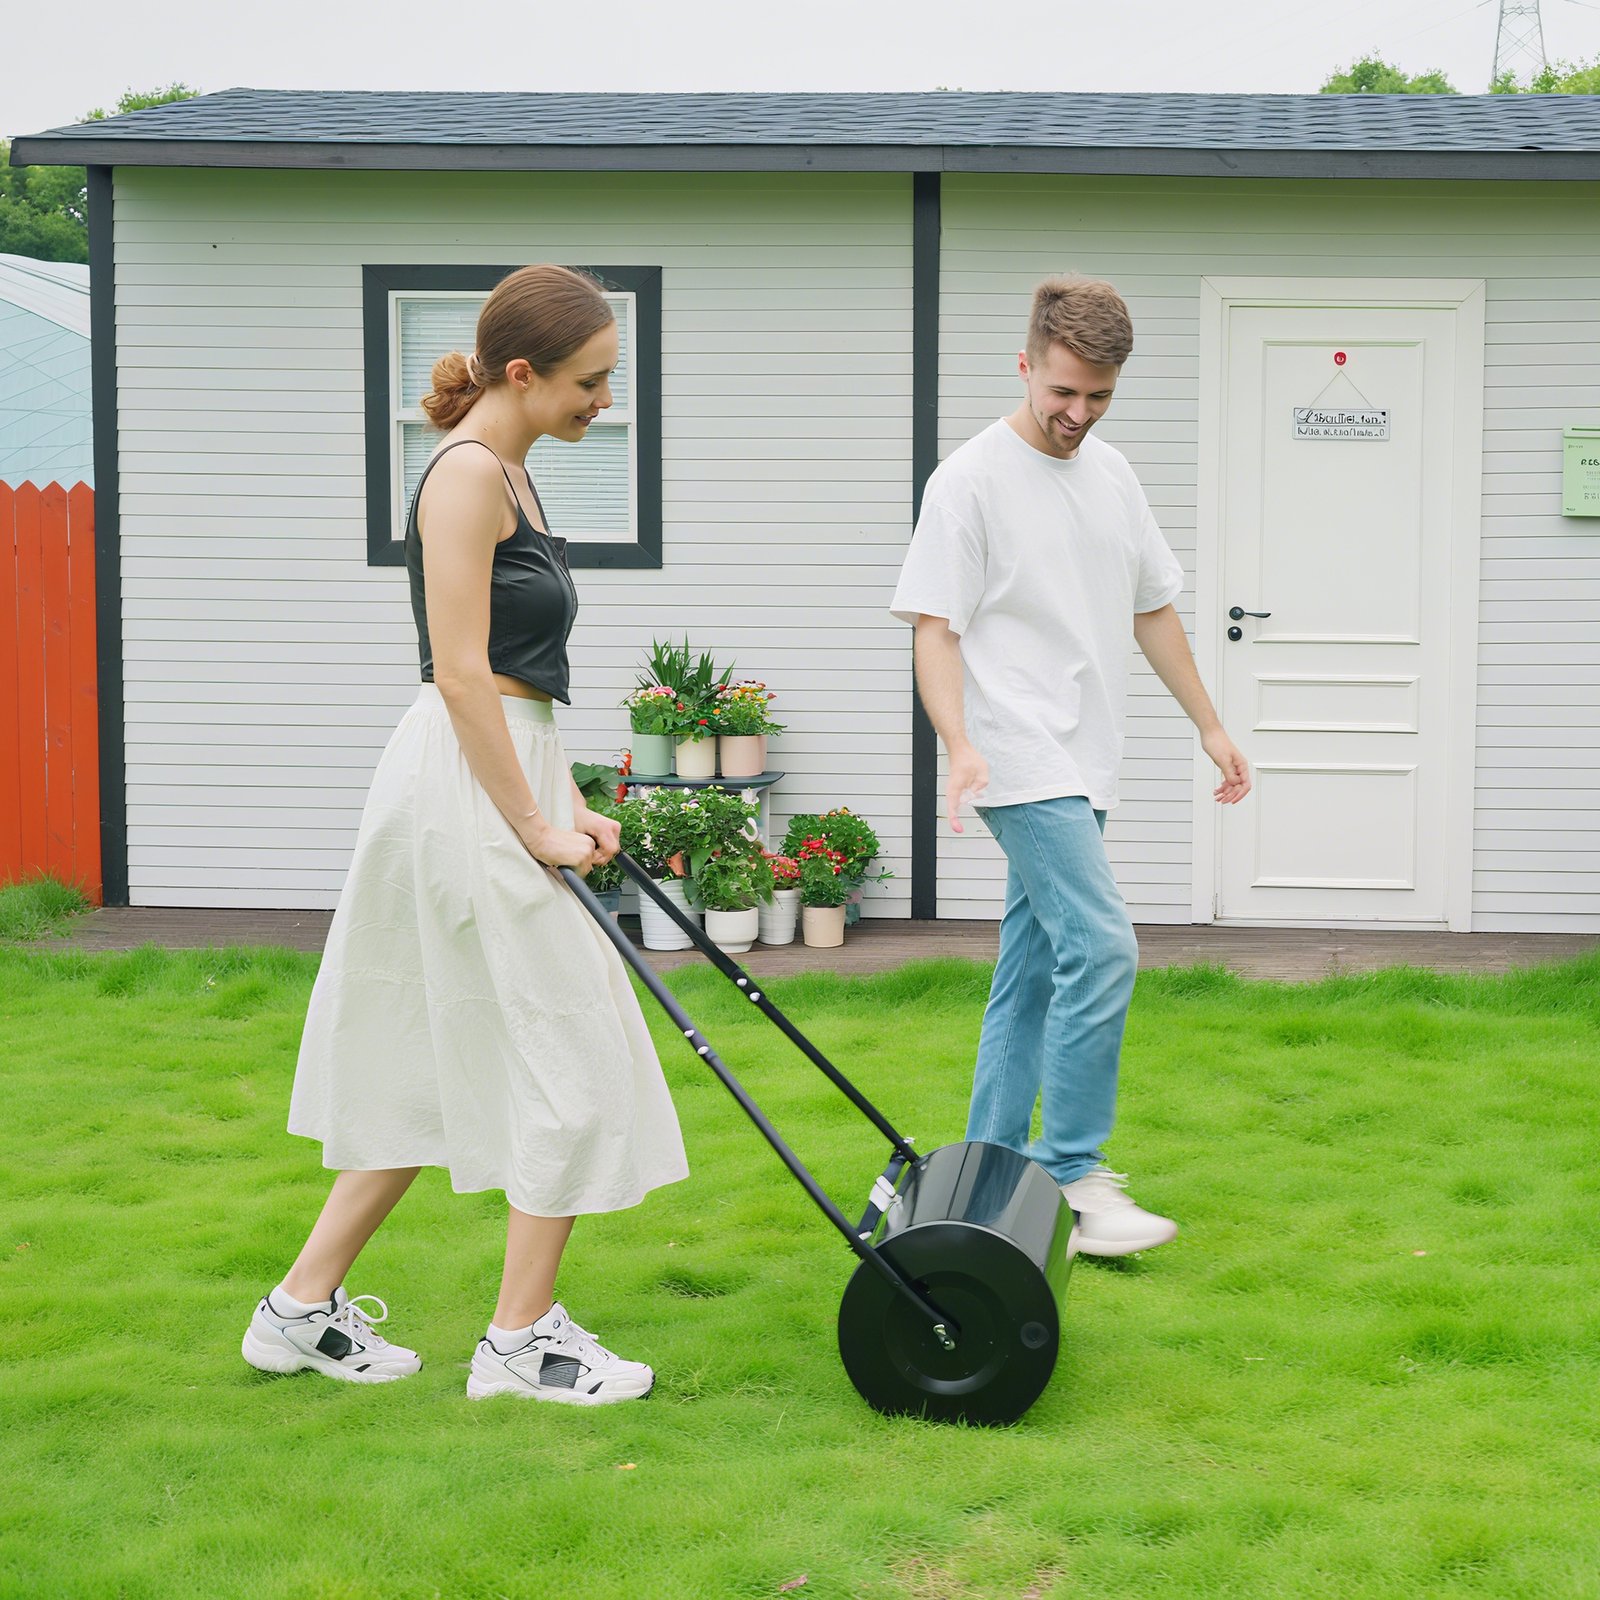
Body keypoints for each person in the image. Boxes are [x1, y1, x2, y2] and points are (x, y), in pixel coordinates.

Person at [242, 265, 688, 1402]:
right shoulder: (466, 476)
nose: (605, 403)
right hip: (461, 790)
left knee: (424, 1062)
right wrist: (533, 820)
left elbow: (519, 678)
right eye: (590, 382)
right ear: (524, 372)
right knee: (573, 1058)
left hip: (502, 769)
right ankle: (520, 1342)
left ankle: (296, 1310)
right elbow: (458, 671)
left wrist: (566, 797)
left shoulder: (514, 474)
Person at [891, 276, 1250, 1256]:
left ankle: (987, 1172)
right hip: (1014, 750)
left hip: (1087, 753)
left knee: (1033, 970)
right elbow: (934, 628)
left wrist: (1211, 726)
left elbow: (1152, 607)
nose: (1078, 414)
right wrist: (960, 741)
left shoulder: (1113, 476)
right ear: (1025, 364)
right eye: (1062, 391)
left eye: (1098, 396)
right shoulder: (968, 481)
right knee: (1102, 946)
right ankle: (1073, 1174)